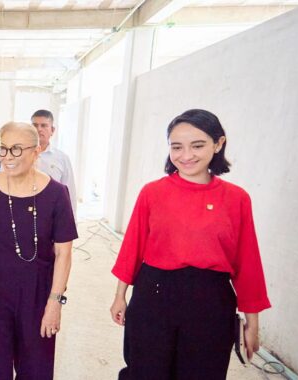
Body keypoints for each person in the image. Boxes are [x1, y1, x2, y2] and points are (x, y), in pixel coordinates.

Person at [109, 109, 271, 379]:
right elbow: (133, 247)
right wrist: (119, 296)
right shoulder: (153, 193)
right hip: (154, 295)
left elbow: (248, 262)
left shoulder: (237, 199)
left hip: (210, 302)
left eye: (197, 145)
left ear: (218, 144)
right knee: (145, 371)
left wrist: (252, 322)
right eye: (177, 147)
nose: (186, 155)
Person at [0, 122, 78, 379]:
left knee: (36, 364)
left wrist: (55, 303)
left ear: (36, 152)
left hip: (38, 291)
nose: (7, 157)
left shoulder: (57, 194)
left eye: (16, 150)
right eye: (3, 149)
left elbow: (64, 254)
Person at [31, 110, 77, 212]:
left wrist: (72, 223)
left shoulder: (62, 158)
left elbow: (70, 192)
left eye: (44, 125)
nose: (39, 129)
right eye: (35, 125)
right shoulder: (20, 155)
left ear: (52, 130)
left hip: (52, 214)